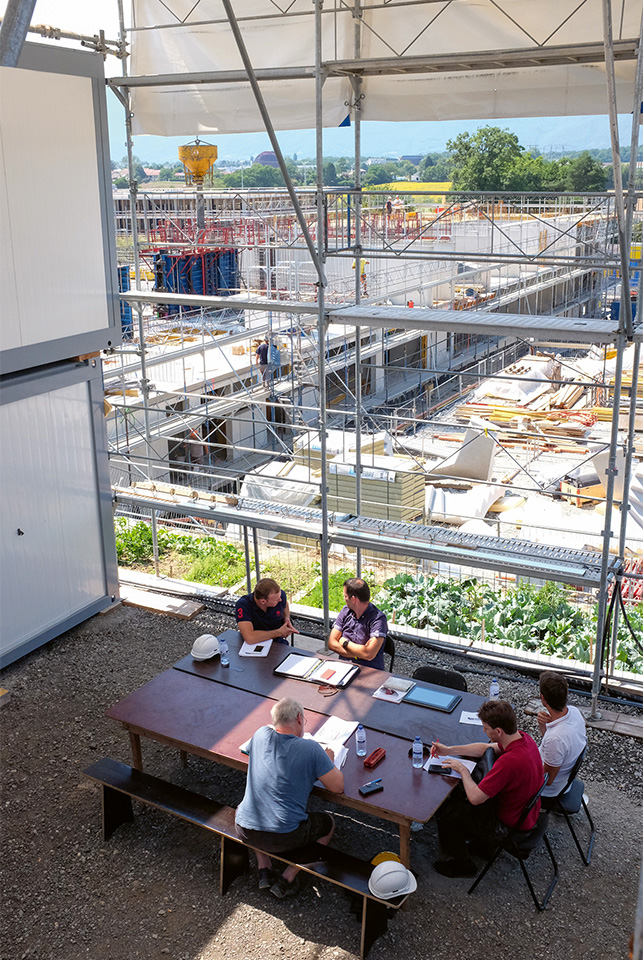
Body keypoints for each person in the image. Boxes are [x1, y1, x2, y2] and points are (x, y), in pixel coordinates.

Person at [235, 697, 344, 899]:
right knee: (328, 823)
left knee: (253, 805)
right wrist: (327, 758)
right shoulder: (311, 749)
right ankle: (288, 876)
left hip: (245, 829)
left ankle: (264, 868)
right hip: (284, 836)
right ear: (300, 719)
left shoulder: (260, 734)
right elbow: (337, 787)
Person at [430, 700, 544, 878]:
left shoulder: (509, 762)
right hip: (528, 813)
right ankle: (484, 847)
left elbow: (475, 798)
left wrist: (462, 770)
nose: (484, 732)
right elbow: (486, 748)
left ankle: (464, 865)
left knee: (447, 813)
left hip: (510, 826)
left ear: (498, 731)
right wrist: (448, 750)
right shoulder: (524, 739)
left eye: (485, 728)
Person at [537, 671, 587, 807]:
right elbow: (556, 746)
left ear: (543, 699)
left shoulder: (556, 739)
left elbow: (546, 780)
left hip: (546, 793)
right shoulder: (574, 713)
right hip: (563, 780)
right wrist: (543, 725)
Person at [327, 577, 388, 671]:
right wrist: (358, 654)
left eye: (345, 596)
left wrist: (344, 642)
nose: (344, 599)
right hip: (343, 667)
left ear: (353, 599)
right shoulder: (345, 611)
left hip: (369, 672)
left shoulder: (378, 619)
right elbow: (331, 643)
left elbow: (369, 654)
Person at [236, 578, 296, 645]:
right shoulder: (244, 605)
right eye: (276, 600)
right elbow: (250, 638)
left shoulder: (280, 596)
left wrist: (286, 618)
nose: (280, 600)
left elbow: (285, 605)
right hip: (254, 644)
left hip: (277, 642)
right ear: (263, 601)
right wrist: (279, 632)